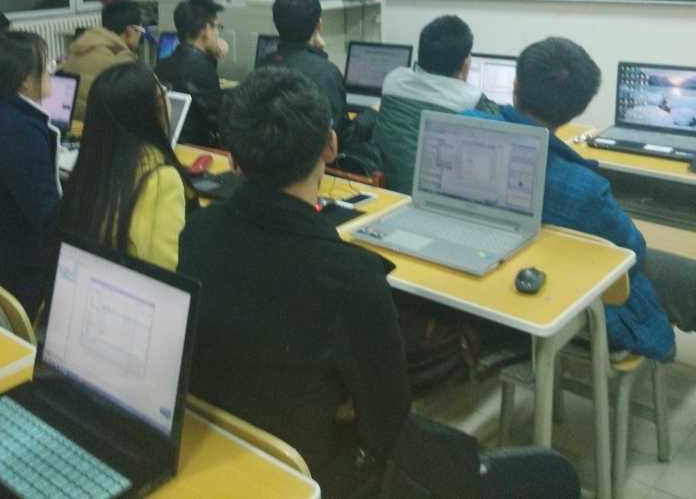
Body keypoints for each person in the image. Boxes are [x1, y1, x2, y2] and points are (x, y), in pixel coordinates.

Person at [179, 68, 580, 499]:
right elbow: (387, 422)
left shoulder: (197, 231)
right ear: (330, 145)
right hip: (324, 475)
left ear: (233, 159)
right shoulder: (350, 276)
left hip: (232, 454)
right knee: (553, 473)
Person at [482, 37, 675, 360]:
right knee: (682, 274)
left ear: (515, 87)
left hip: (497, 285)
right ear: (575, 111)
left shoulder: (464, 128)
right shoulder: (584, 189)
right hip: (565, 303)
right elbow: (632, 252)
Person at [59, 62, 186, 271]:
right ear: (154, 110)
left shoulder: (92, 163)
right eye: (163, 92)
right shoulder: (161, 179)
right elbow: (161, 270)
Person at [0, 31, 60, 319]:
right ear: (25, 79)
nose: (50, 72)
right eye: (45, 65)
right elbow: (49, 218)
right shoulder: (19, 132)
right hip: (19, 274)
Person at [374, 15, 500, 193]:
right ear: (464, 63)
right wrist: (462, 80)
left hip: (387, 193)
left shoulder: (393, 80)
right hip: (436, 197)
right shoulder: (471, 99)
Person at [265, 0, 348, 137]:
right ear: (319, 25)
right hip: (312, 150)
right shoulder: (327, 72)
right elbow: (336, 132)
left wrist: (316, 54)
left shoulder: (263, 64)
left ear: (276, 23)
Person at [155, 0, 228, 146]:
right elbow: (219, 120)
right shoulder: (201, 69)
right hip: (195, 147)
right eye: (217, 27)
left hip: (171, 144)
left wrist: (211, 57)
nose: (218, 33)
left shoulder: (163, 64)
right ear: (206, 30)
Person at [61, 0, 143, 123]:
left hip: (74, 125)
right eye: (141, 30)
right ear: (130, 31)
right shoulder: (121, 61)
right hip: (99, 128)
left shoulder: (78, 48)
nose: (141, 35)